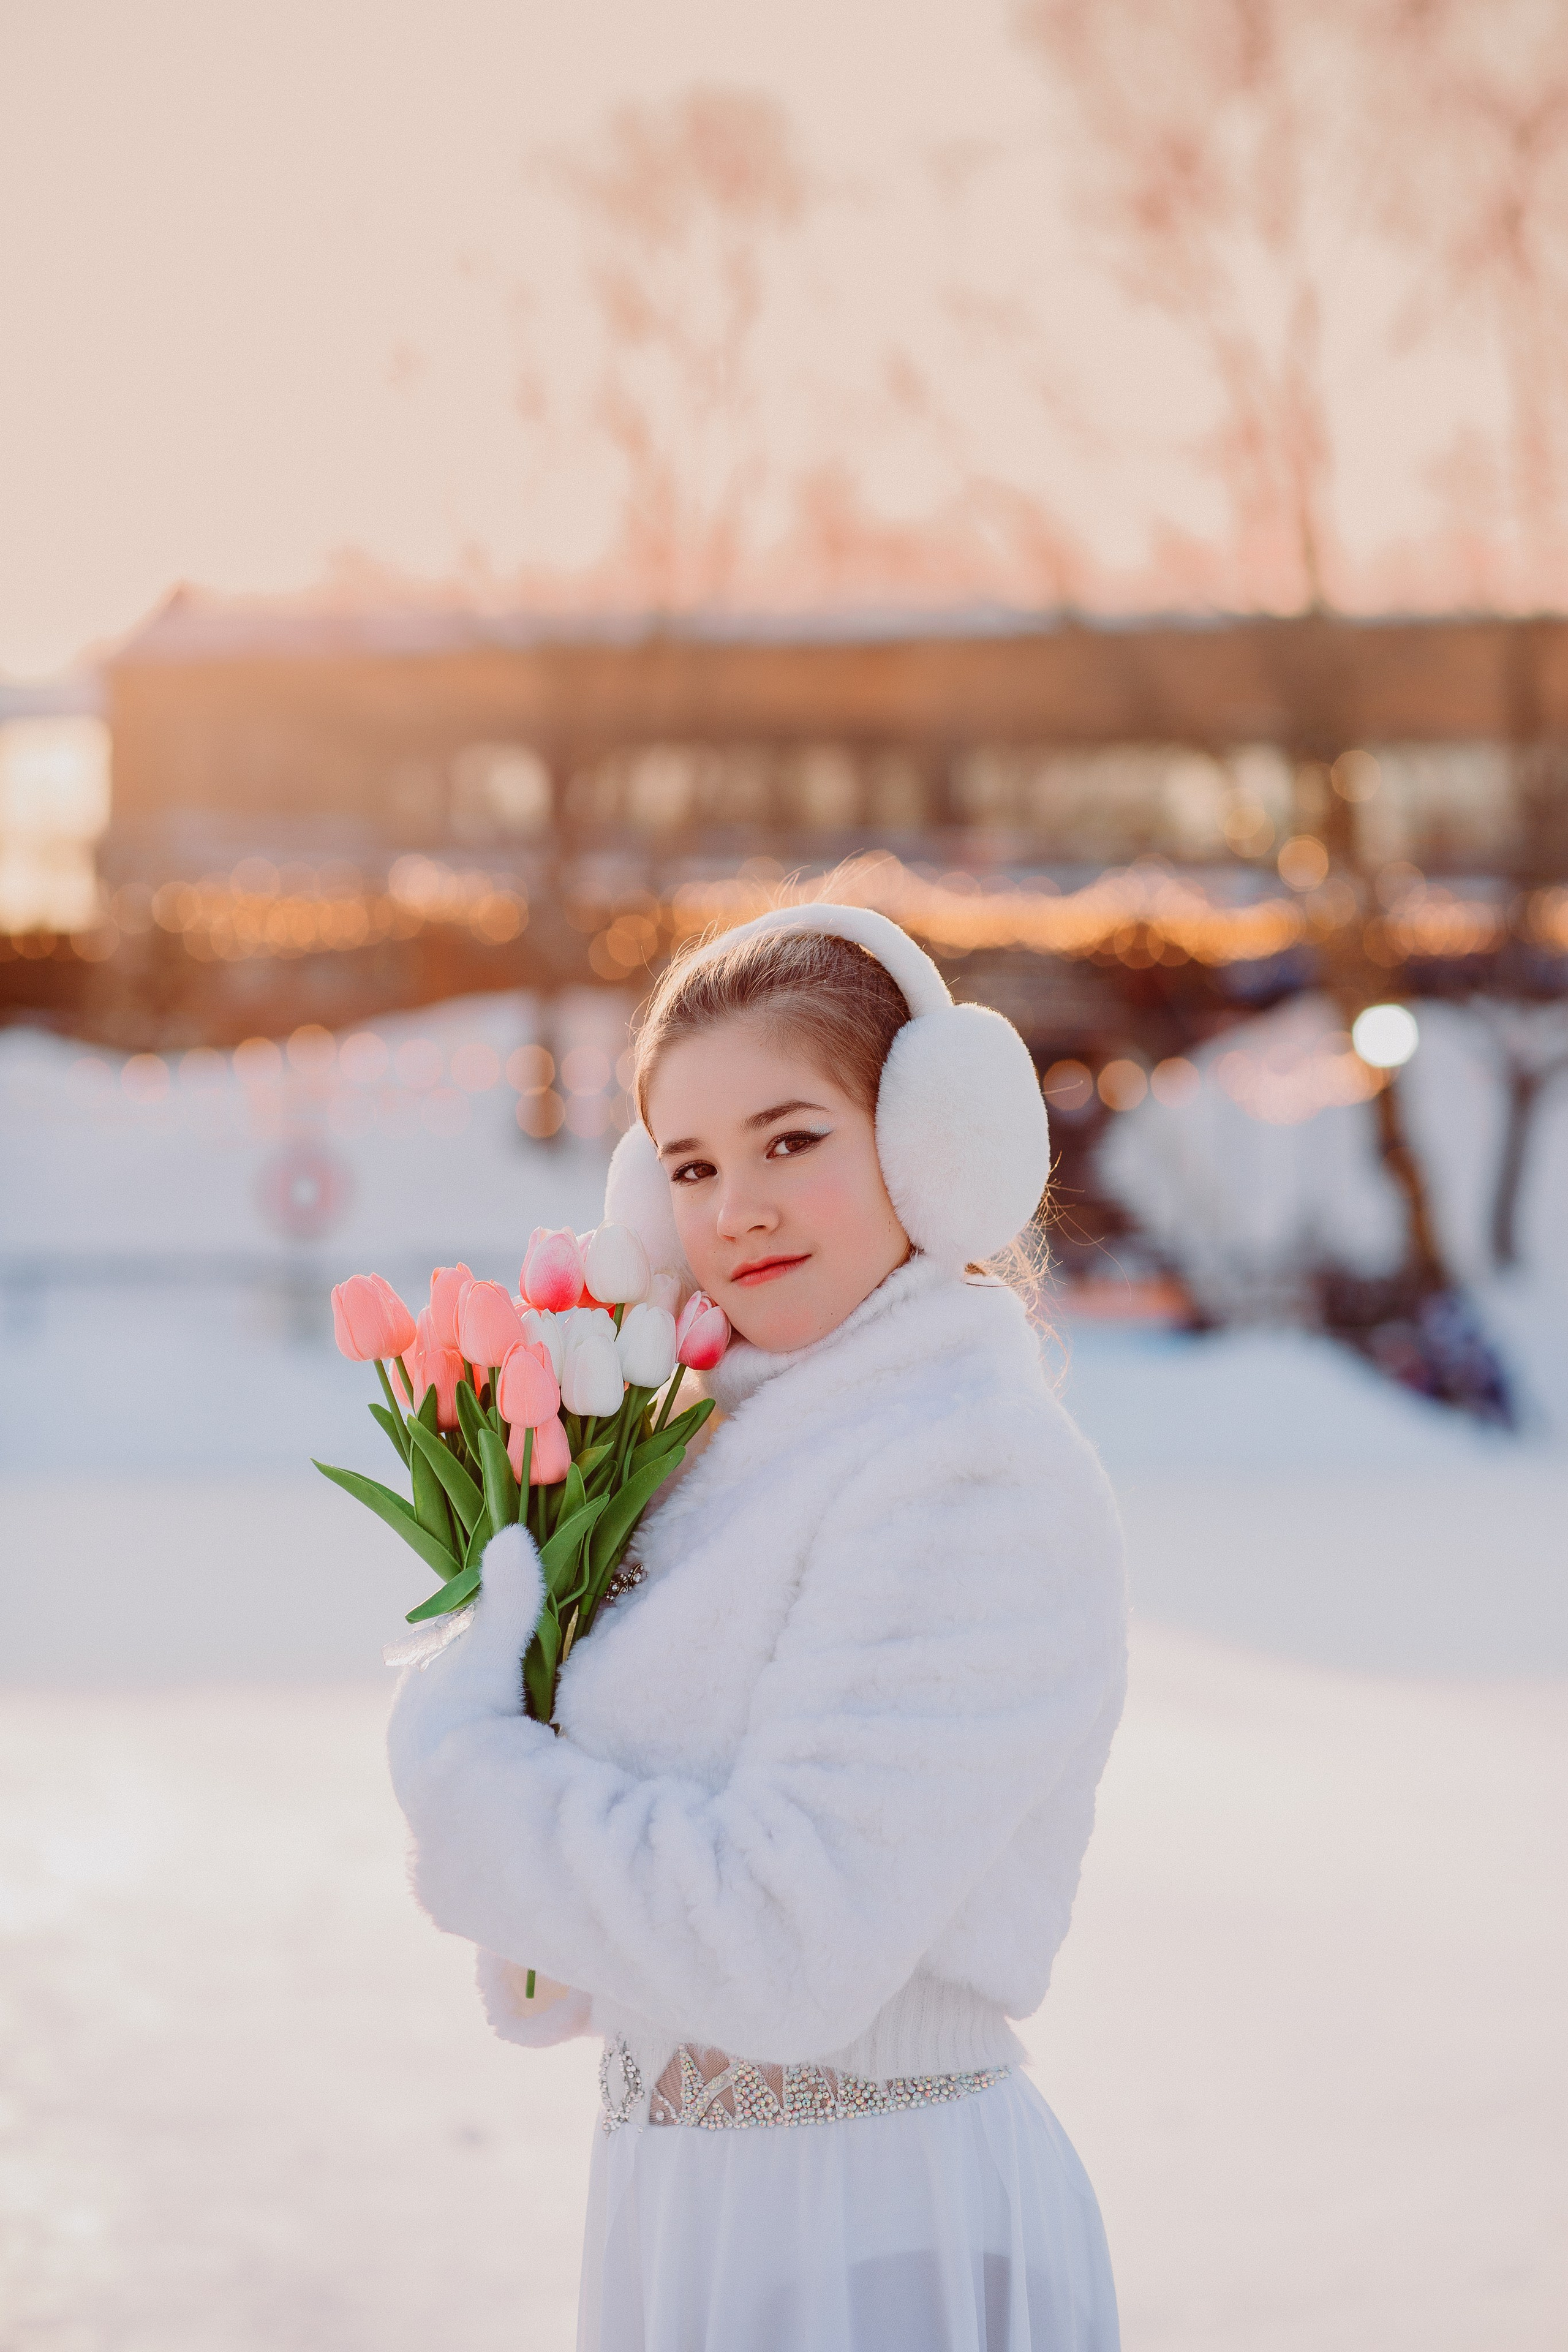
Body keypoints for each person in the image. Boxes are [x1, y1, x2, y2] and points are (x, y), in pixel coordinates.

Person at [387, 903, 1128, 2350]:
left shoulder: (967, 1472)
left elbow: (785, 1945)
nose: (735, 1209)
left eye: (792, 1141)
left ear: (929, 1145)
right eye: (690, 1166)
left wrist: (473, 1786)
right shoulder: (726, 1463)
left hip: (876, 2219)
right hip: (702, 2211)